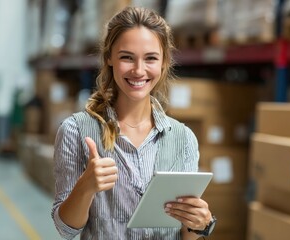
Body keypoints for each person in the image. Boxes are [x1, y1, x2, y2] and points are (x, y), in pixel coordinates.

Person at [52, 6, 216, 240]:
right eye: (127, 57)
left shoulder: (184, 138)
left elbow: (185, 234)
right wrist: (85, 187)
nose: (139, 70)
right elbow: (65, 229)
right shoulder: (76, 131)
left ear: (164, 62)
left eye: (150, 58)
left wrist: (199, 224)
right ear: (109, 57)